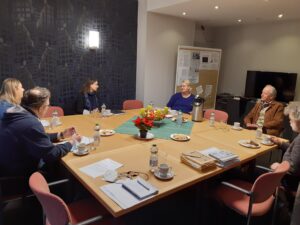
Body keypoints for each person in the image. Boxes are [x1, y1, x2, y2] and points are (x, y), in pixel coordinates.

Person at [0, 86, 81, 177]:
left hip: (7, 167)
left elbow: (36, 137)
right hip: (20, 175)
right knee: (64, 168)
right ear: (42, 107)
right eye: (48, 105)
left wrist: (61, 135)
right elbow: (51, 154)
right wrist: (72, 142)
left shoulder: (17, 114)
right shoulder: (30, 123)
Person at [271, 102, 300, 192]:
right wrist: (280, 143)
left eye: (291, 119)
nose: (289, 121)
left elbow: (294, 169)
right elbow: (296, 152)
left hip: (289, 182)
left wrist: (279, 167)